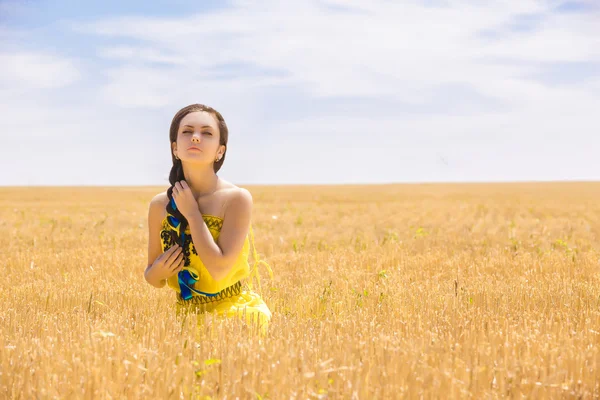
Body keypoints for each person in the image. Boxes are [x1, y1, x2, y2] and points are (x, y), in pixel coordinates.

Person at [144, 103, 272, 334]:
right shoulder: (159, 205)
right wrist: (157, 273)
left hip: (236, 319)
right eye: (187, 131)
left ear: (220, 151)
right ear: (175, 148)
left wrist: (192, 214)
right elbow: (152, 276)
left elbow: (219, 269)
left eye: (207, 133)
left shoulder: (236, 198)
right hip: (184, 320)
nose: (195, 137)